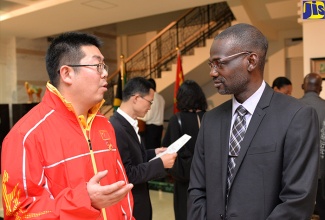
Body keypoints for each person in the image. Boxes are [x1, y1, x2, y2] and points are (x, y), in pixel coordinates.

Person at [188, 23, 319, 220]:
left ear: (251, 61)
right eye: (211, 65)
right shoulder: (211, 120)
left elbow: (298, 200)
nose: (213, 73)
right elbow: (197, 189)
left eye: (219, 63)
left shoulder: (296, 116)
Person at [1, 32, 134, 220]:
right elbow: (19, 213)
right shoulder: (26, 135)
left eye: (104, 65)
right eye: (97, 65)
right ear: (67, 73)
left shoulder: (104, 125)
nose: (105, 73)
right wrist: (84, 200)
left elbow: (121, 189)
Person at [109, 77, 177, 220]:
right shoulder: (116, 128)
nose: (150, 107)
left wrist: (154, 153)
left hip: (140, 199)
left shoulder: (129, 123)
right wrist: (161, 163)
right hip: (131, 203)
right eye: (149, 102)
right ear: (136, 98)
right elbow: (128, 174)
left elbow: (135, 157)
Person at [162, 79, 207, 220]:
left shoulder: (177, 119)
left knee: (183, 211)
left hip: (184, 175)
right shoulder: (209, 117)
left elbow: (167, 148)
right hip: (206, 173)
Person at [299, 72, 325, 220]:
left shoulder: (290, 107)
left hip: (297, 172)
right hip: (323, 171)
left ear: (303, 86)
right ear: (320, 88)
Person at [140, 78, 165, 149]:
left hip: (151, 129)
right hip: (159, 128)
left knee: (151, 151)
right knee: (157, 150)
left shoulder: (152, 98)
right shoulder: (161, 98)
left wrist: (138, 116)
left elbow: (148, 117)